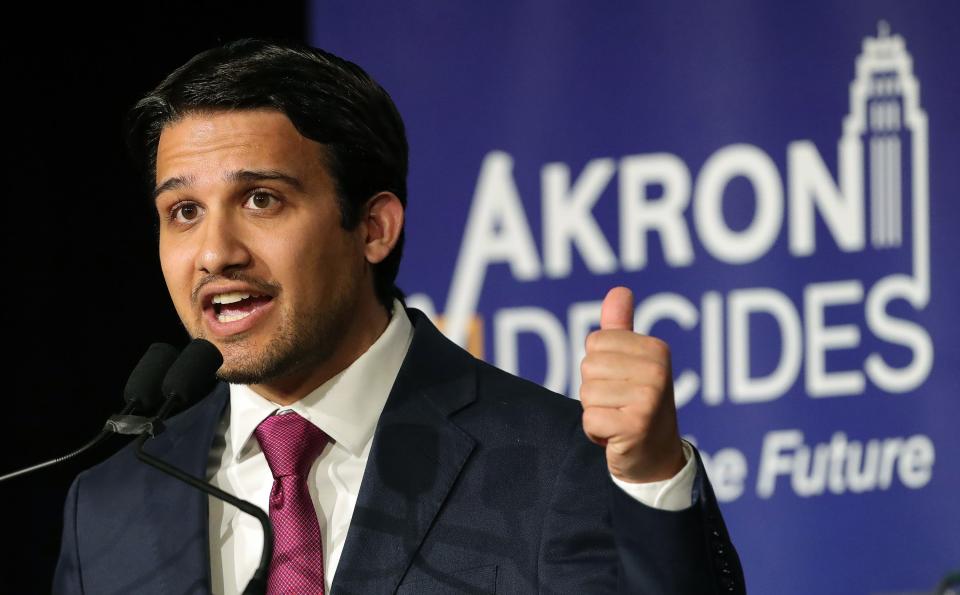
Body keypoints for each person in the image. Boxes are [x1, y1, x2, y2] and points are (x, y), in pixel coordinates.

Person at [53, 39, 744, 594]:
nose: (214, 252)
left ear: (374, 228)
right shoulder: (109, 504)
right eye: (183, 212)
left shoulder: (551, 461)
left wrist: (650, 476)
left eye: (262, 199)